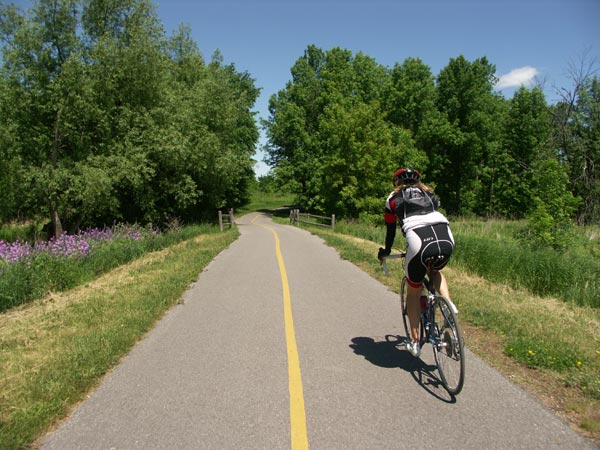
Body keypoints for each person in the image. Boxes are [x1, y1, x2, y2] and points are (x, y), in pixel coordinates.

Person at [377, 168, 455, 357]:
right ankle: (449, 307)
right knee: (435, 271)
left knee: (413, 291)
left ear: (397, 183)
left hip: (418, 239)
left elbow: (390, 230)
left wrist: (385, 252)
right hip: (445, 236)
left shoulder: (392, 199)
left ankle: (414, 341)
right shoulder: (430, 193)